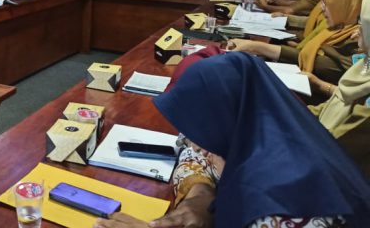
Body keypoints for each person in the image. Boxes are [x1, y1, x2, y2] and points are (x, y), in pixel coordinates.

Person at [95, 53, 370, 228]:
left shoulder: (280, 202)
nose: (192, 144)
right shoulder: (269, 133)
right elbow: (195, 152)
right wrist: (200, 194)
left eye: (198, 129)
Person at [228, 0, 370, 85]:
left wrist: (256, 46)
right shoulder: (337, 28)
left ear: (346, 3)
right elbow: (304, 54)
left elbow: (315, 61)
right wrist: (254, 46)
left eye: (327, 2)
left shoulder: (358, 40)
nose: (321, 8)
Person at [305, 0, 370, 177]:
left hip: (336, 177)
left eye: (363, 25)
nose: (357, 30)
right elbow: (328, 108)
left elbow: (336, 146)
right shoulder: (364, 65)